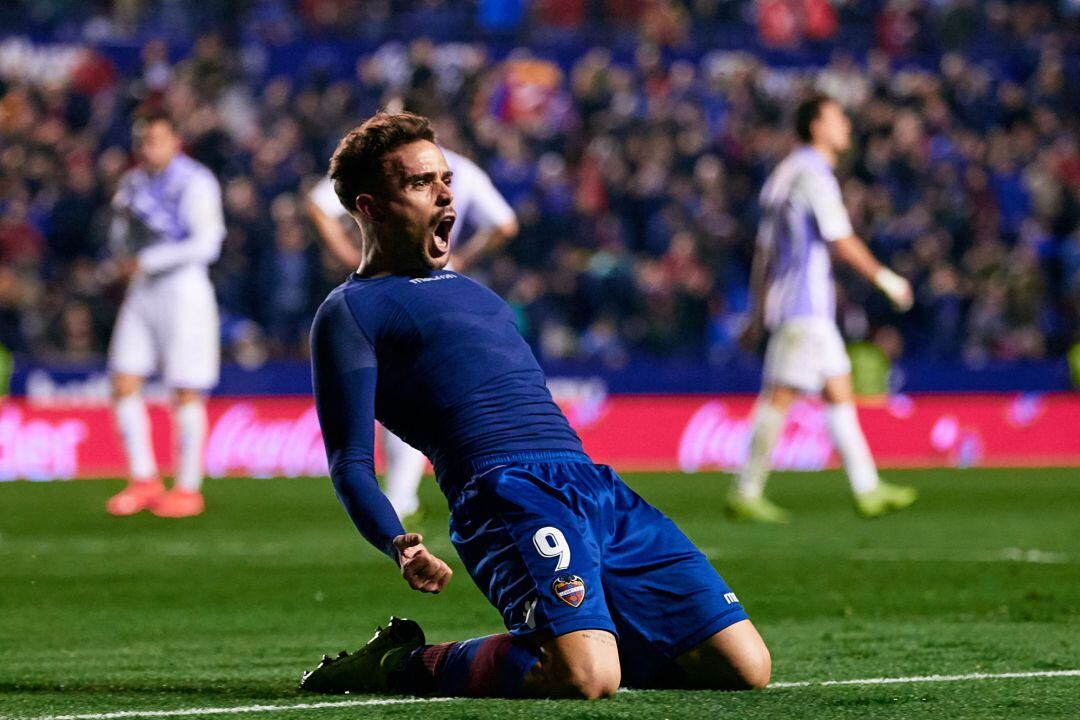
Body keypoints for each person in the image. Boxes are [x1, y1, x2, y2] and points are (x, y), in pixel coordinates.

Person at [301, 112, 770, 699]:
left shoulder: (477, 292)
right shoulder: (350, 312)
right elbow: (348, 460)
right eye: (422, 182)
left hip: (594, 484)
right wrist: (398, 542)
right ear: (368, 206)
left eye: (447, 178)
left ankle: (584, 639)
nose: (447, 192)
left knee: (744, 666)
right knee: (587, 678)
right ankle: (399, 664)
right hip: (505, 493)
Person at [305, 131, 518, 522]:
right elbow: (506, 224)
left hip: (390, 284)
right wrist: (464, 259)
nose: (442, 191)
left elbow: (317, 205)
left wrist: (348, 255)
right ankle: (417, 495)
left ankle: (400, 498)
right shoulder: (459, 165)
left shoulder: (382, 164)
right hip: (447, 288)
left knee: (396, 393)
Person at [729, 95, 917, 524]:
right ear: (816, 127)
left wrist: (758, 310)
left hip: (792, 304)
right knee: (779, 396)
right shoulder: (813, 174)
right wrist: (885, 278)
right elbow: (839, 236)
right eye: (838, 118)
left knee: (838, 390)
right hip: (804, 307)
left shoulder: (781, 175)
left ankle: (867, 487)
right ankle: (746, 489)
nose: (846, 125)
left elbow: (763, 253)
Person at [104, 111, 225, 518]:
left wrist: (149, 259)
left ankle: (188, 488)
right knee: (123, 380)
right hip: (143, 291)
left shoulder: (195, 181)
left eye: (155, 138)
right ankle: (144, 479)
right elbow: (120, 241)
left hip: (183, 290)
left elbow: (207, 244)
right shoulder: (133, 183)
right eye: (142, 140)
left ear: (175, 140)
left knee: (185, 389)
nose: (147, 147)